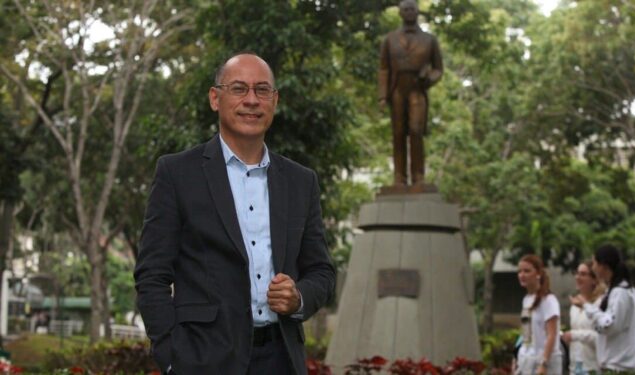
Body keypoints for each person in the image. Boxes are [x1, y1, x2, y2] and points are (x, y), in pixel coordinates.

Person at [134, 53, 336, 375]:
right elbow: (152, 274)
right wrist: (171, 357)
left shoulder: (301, 181)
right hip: (203, 361)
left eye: (262, 90)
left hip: (281, 360)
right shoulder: (177, 173)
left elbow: (322, 272)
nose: (252, 100)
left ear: (275, 100)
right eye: (239, 89)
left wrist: (298, 297)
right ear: (216, 98)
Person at [378, 0, 443, 188]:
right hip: (397, 90)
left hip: (418, 90)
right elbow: (383, 69)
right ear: (400, 13)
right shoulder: (389, 39)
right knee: (398, 133)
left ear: (417, 12)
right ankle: (399, 177)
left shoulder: (429, 40)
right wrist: (382, 95)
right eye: (405, 10)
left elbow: (438, 68)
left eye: (412, 9)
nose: (409, 12)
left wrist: (429, 78)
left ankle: (418, 177)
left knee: (416, 131)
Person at [571, 245, 635, 372]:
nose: (593, 268)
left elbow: (610, 325)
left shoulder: (621, 292)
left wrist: (587, 306)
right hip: (613, 365)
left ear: (604, 266)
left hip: (618, 365)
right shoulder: (616, 290)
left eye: (594, 263)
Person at [515, 254, 563, 375]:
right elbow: (526, 334)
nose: (522, 275)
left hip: (545, 364)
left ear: (538, 274)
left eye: (527, 271)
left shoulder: (548, 300)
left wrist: (544, 362)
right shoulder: (526, 299)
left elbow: (552, 334)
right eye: (519, 271)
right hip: (527, 360)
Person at [562, 261, 603, 374]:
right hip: (575, 368)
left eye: (583, 274)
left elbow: (602, 339)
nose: (578, 277)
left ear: (594, 280)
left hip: (593, 369)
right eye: (577, 273)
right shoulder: (574, 306)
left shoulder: (600, 304)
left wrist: (575, 335)